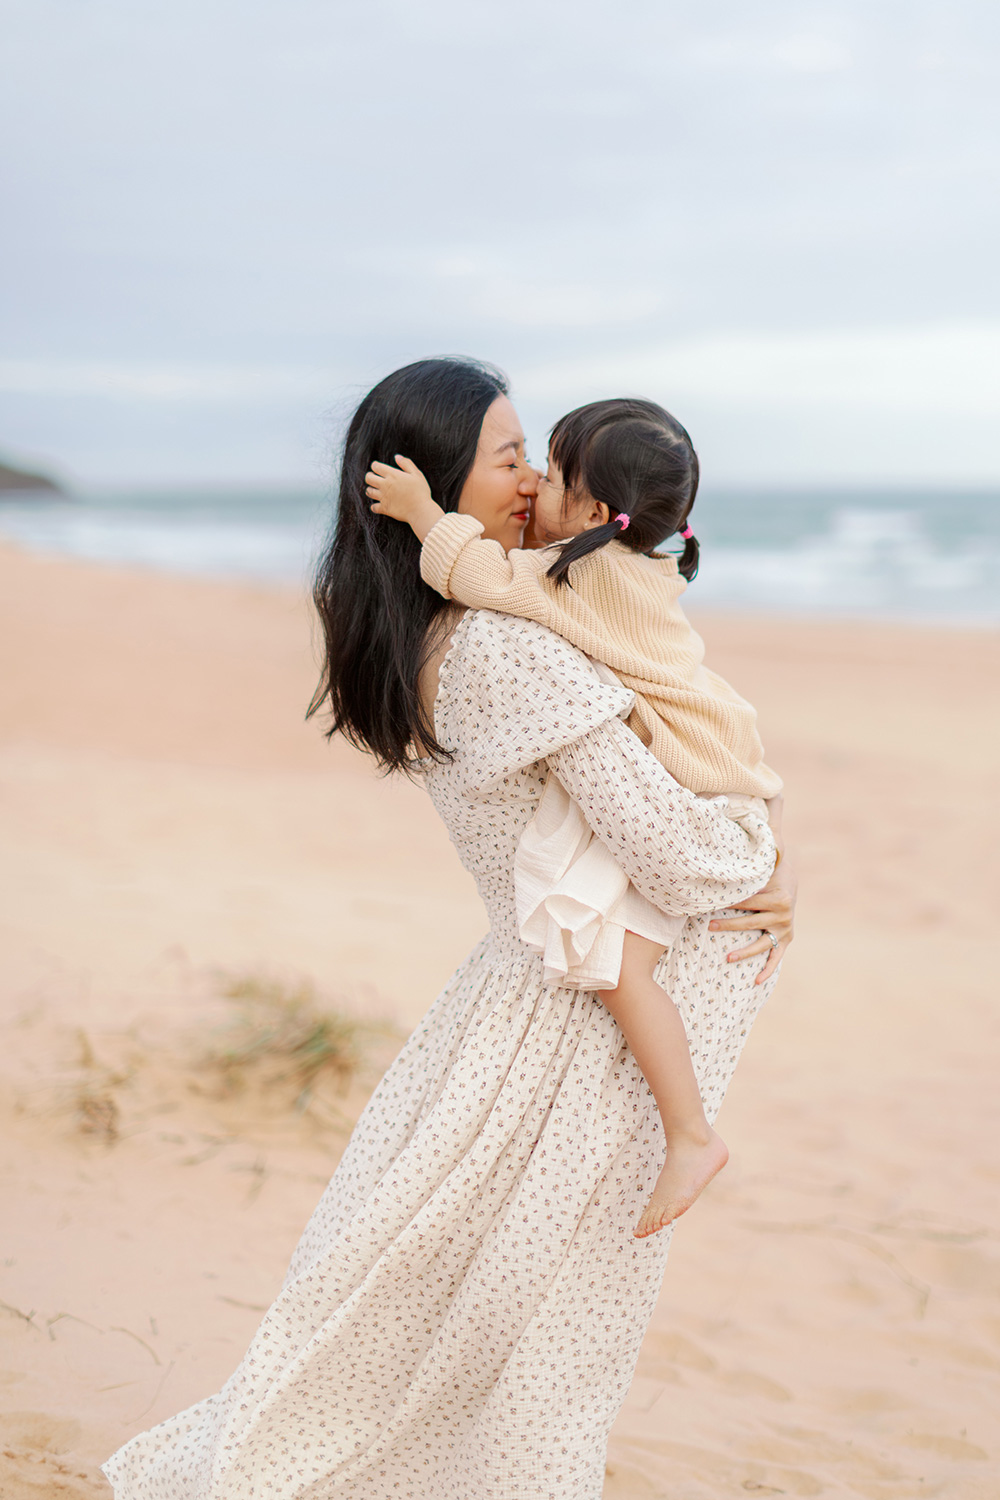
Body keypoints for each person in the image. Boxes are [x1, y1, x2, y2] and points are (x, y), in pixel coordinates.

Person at [102, 358, 795, 1500]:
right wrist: (764, 865)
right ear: (439, 485)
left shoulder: (454, 626)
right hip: (569, 1037)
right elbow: (673, 851)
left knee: (440, 1306)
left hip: (525, 997)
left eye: (534, 456)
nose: (532, 482)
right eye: (511, 457)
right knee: (546, 1336)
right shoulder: (506, 649)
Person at [364, 396, 784, 1238]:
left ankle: (691, 1134)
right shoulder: (637, 566)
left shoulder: (572, 576)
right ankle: (690, 1132)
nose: (533, 484)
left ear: (595, 513)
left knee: (623, 971)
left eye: (548, 471)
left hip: (698, 770)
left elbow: (476, 575)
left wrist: (423, 516)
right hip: (721, 756)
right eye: (514, 460)